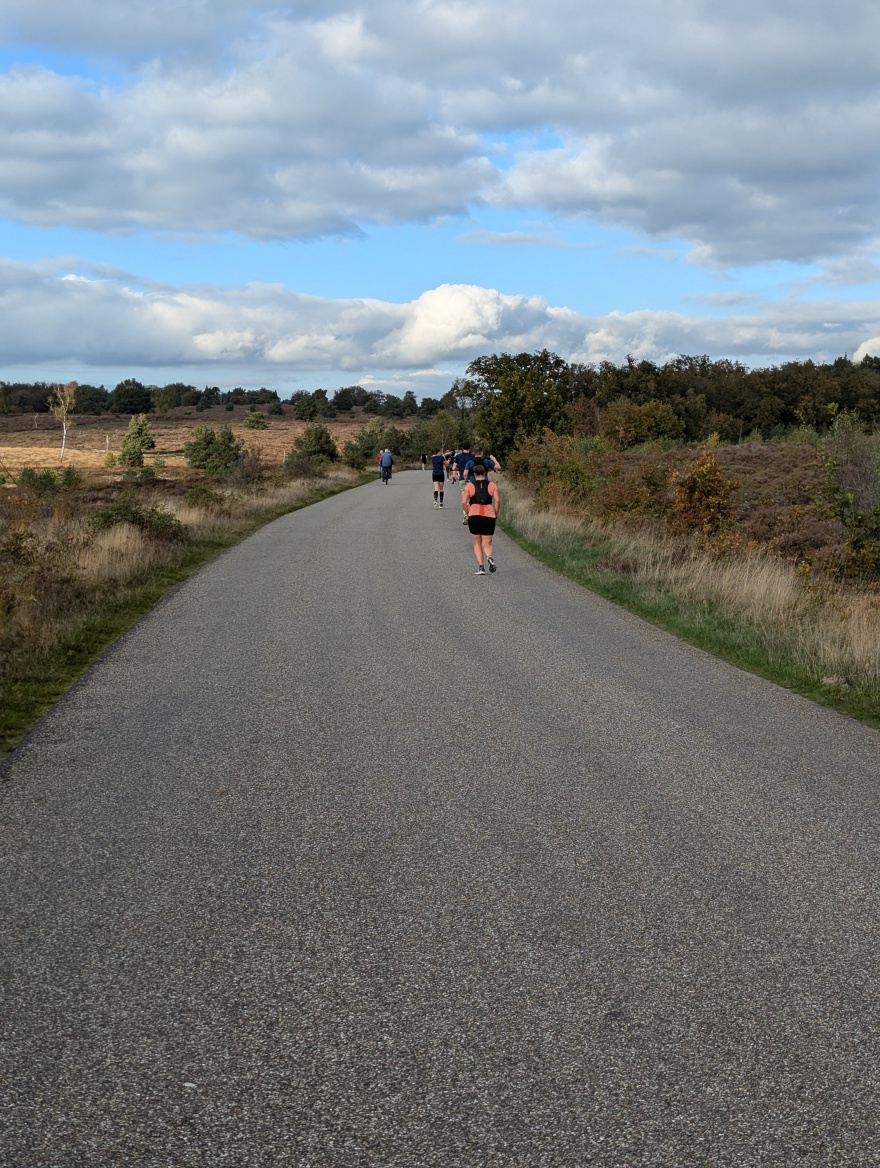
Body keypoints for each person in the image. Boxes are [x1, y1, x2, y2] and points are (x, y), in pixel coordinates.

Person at [462, 462, 500, 574]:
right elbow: (497, 500)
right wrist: (496, 513)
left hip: (474, 515)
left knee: (477, 543)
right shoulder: (492, 485)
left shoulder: (469, 486)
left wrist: (468, 512)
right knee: (487, 543)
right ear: (485, 473)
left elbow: (464, 502)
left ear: (473, 474)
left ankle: (481, 567)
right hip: (488, 515)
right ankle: (489, 556)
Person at [460, 447, 500, 523]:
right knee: (486, 499)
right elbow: (498, 467)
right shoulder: (486, 461)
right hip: (485, 482)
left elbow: (465, 473)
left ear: (474, 453)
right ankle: (487, 514)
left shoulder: (470, 462)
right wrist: (494, 459)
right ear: (481, 453)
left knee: (472, 499)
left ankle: (471, 515)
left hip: (473, 481)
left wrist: (466, 481)